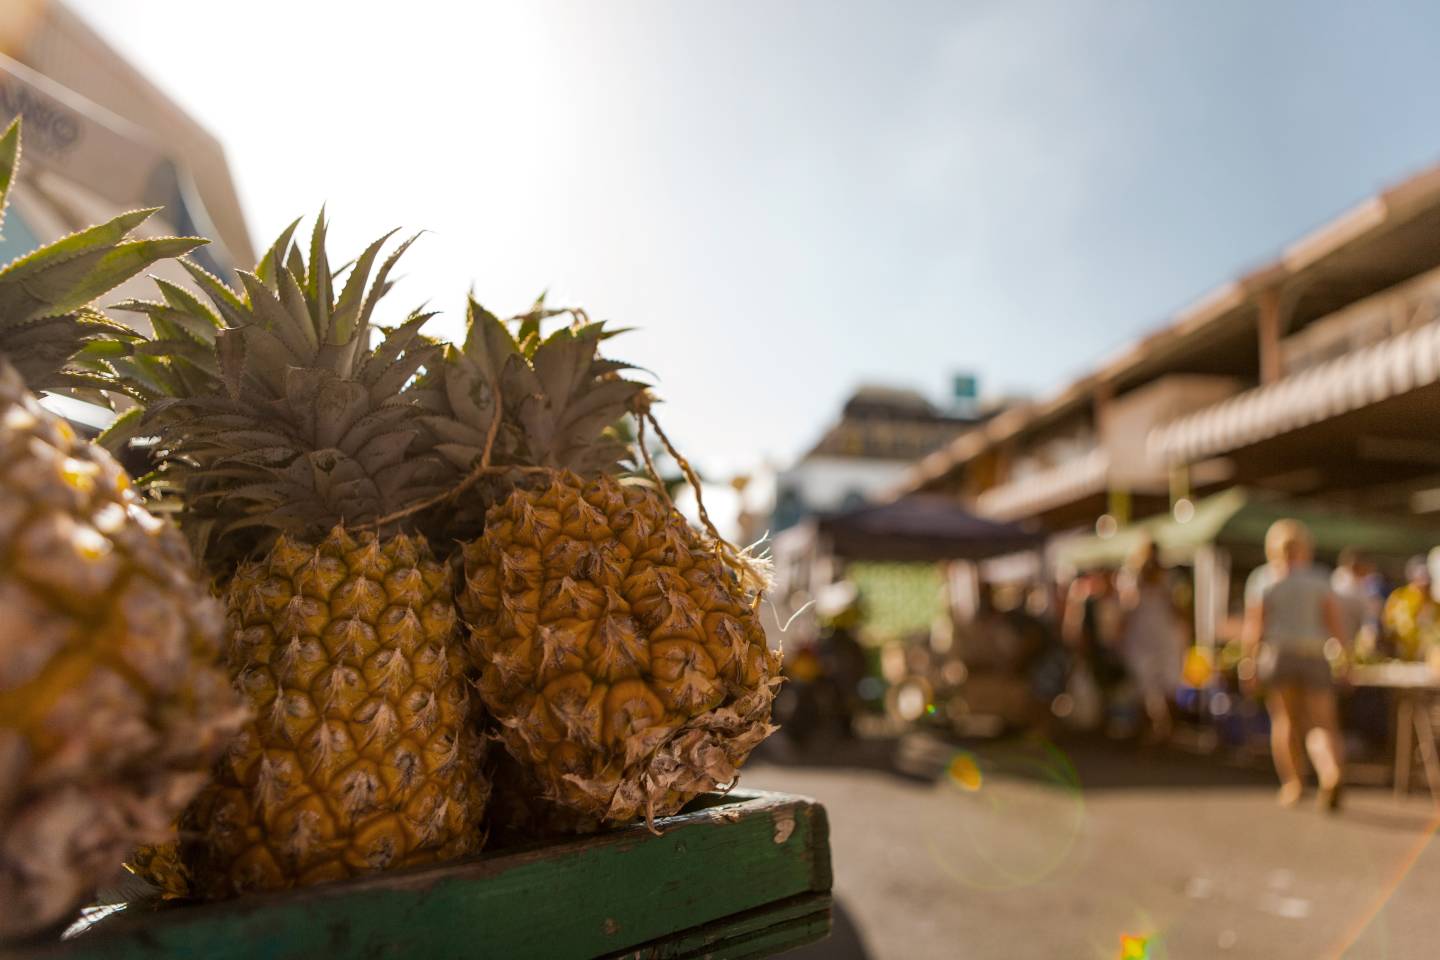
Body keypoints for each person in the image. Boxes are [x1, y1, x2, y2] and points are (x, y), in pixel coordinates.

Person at [1242, 519, 1347, 811]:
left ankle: (1293, 784)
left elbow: (1254, 628)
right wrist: (1346, 659)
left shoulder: (1264, 579)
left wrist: (1247, 663)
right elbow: (1334, 624)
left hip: (1279, 654)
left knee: (1285, 720)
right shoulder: (1319, 578)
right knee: (1322, 723)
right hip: (1315, 654)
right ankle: (1330, 772)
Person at [1117, 541, 1185, 744]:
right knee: (1142, 688)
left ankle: (1168, 733)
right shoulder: (1131, 579)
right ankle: (1146, 733)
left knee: (1169, 688)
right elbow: (1125, 612)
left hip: (1165, 640)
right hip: (1141, 641)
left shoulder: (1171, 580)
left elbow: (1180, 612)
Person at [1383, 556, 1440, 661]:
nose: (1425, 584)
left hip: (1429, 658)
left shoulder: (1435, 604)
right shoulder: (1399, 598)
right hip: (1402, 657)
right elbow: (1389, 627)